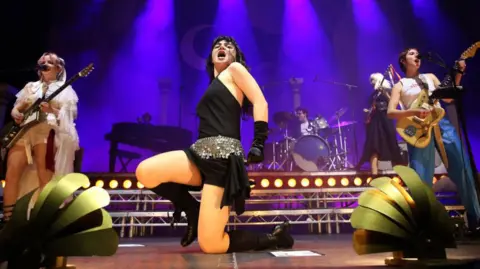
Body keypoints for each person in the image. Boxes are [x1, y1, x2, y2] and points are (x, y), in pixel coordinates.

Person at [135, 36, 294, 254]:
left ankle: (274, 237)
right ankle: (192, 209)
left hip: (222, 162)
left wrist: (258, 142)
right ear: (211, 57)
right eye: (217, 45)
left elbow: (260, 101)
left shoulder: (235, 70)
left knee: (212, 245)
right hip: (198, 154)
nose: (222, 47)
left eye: (229, 46)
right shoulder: (215, 83)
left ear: (236, 56)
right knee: (145, 172)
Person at [387, 48, 480, 234]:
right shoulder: (400, 85)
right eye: (412, 54)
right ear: (403, 61)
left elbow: (447, 96)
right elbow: (391, 112)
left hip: (441, 124)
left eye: (417, 54)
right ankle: (425, 225)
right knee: (421, 177)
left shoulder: (430, 77)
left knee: (463, 168)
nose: (417, 56)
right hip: (419, 129)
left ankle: (475, 218)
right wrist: (414, 112)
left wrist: (459, 72)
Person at [1, 52, 79, 224]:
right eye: (42, 61)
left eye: (49, 61)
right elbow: (17, 108)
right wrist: (16, 114)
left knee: (45, 175)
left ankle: (42, 221)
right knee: (12, 172)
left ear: (58, 68)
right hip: (24, 131)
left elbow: (70, 116)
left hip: (46, 130)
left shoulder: (66, 90)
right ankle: (9, 221)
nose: (45, 63)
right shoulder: (31, 87)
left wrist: (51, 110)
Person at [356, 72, 405, 175]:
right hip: (374, 122)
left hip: (385, 120)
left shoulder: (388, 91)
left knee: (391, 144)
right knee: (373, 146)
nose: (371, 82)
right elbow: (369, 106)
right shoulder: (373, 94)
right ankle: (374, 175)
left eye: (373, 80)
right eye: (370, 80)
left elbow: (394, 103)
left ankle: (400, 175)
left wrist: (385, 93)